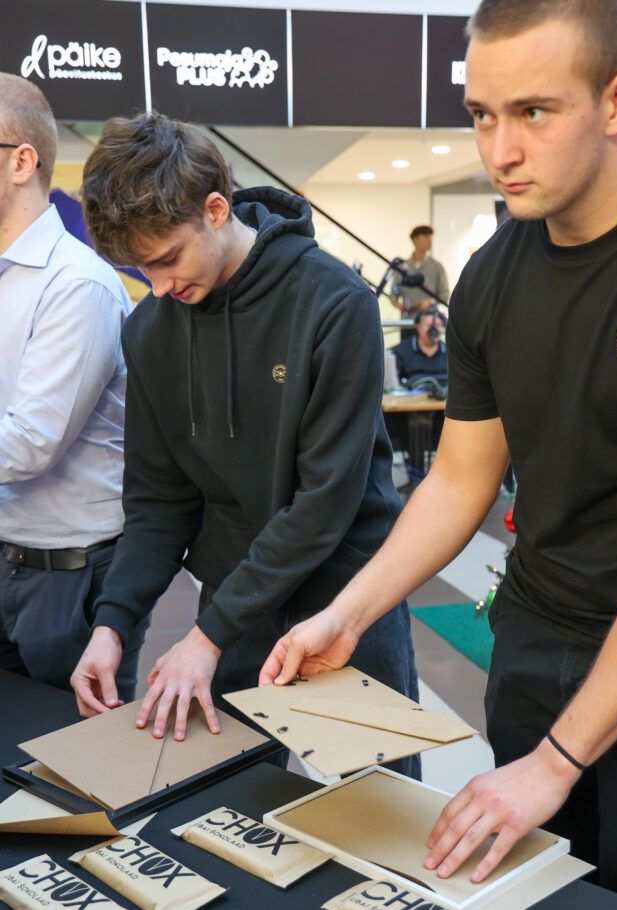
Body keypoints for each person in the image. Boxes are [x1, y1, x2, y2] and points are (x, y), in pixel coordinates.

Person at [259, 0, 617, 910]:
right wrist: (349, 612)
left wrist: (557, 762)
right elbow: (458, 478)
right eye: (482, 116)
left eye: (533, 112)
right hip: (534, 637)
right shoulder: (491, 276)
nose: (500, 150)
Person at [70, 112, 420, 778]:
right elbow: (158, 503)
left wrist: (206, 637)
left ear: (215, 208)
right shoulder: (150, 330)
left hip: (346, 597)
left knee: (378, 804)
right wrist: (112, 625)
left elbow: (323, 502)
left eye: (167, 258)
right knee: (221, 802)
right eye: (141, 269)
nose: (159, 286)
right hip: (235, 600)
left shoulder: (334, 302)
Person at [0, 73, 146, 701]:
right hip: (9, 555)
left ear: (21, 162)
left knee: (74, 751)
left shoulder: (76, 283)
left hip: (69, 575)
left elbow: (29, 442)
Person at [390, 226, 449, 315]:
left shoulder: (437, 266)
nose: (429, 240)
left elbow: (444, 294)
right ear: (415, 239)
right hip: (408, 319)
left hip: (430, 318)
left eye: (430, 237)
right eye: (425, 237)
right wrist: (400, 306)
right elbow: (393, 294)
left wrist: (430, 302)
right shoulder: (402, 267)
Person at [393, 308, 448, 384]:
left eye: (438, 326)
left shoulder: (449, 352)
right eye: (429, 325)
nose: (434, 330)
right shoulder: (402, 350)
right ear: (418, 326)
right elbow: (394, 381)